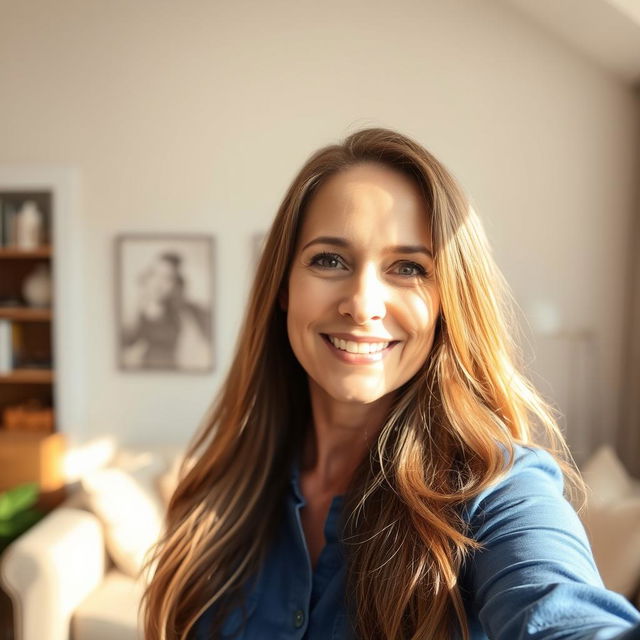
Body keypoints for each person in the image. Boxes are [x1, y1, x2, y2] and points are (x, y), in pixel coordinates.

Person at [140, 128, 640, 639]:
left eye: (407, 267)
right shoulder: (221, 491)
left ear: (449, 301)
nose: (362, 303)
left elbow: (568, 619)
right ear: (284, 288)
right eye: (329, 260)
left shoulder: (497, 489)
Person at [121, 251, 211, 370]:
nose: (159, 283)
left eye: (167, 278)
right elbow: (126, 344)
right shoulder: (135, 310)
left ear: (175, 284)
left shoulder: (185, 312)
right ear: (146, 278)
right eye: (154, 275)